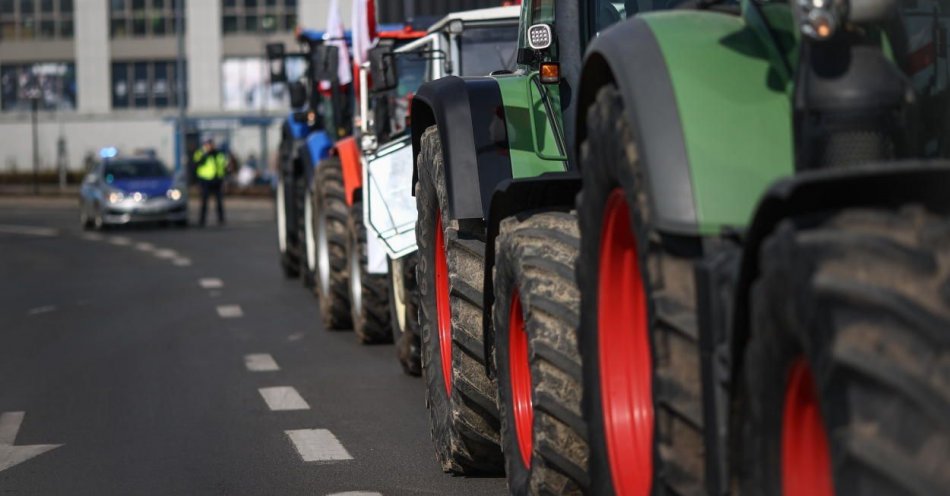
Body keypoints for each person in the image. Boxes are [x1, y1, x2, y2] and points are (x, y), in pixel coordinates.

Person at [193, 138, 228, 226]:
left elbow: (224, 166)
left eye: (211, 144)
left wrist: (224, 178)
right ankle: (202, 220)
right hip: (205, 180)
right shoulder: (200, 153)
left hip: (217, 180)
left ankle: (221, 219)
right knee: (204, 201)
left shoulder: (219, 154)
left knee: (219, 201)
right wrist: (205, 154)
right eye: (208, 144)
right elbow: (196, 164)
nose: (210, 146)